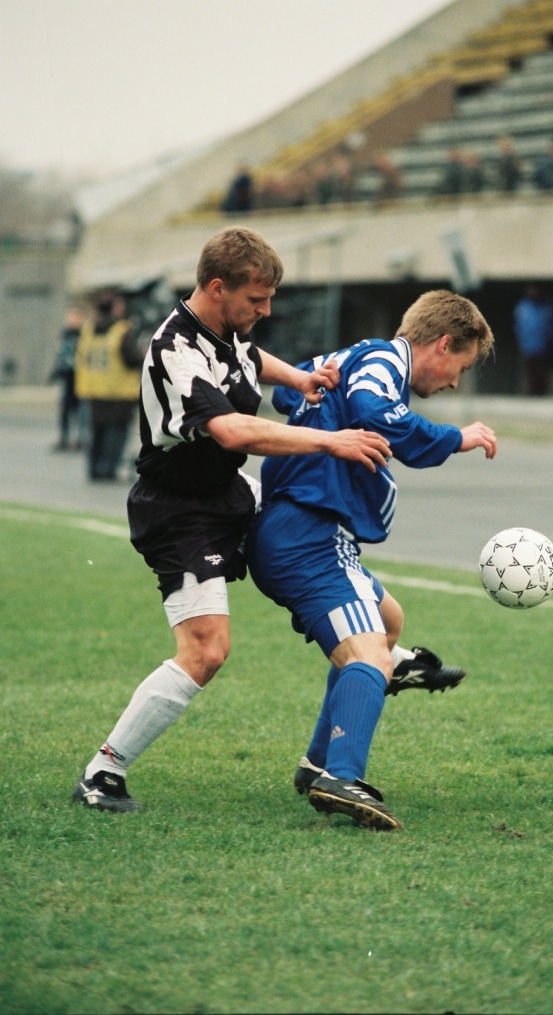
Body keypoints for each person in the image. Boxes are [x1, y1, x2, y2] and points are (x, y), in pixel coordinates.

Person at [72, 226, 391, 813]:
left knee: (328, 558)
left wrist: (296, 377)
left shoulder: (227, 329)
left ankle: (386, 653)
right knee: (206, 649)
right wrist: (331, 442)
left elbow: (248, 359)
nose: (265, 311)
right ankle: (102, 772)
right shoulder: (173, 351)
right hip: (180, 511)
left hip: (226, 492)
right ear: (217, 289)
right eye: (257, 300)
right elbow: (233, 430)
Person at [246, 290, 497, 831]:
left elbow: (295, 396)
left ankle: (318, 761)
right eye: (462, 366)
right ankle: (341, 775)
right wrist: (458, 437)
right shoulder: (385, 358)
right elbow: (377, 413)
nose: (455, 381)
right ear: (443, 343)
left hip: (304, 526)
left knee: (388, 622)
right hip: (308, 531)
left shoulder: (352, 356)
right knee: (369, 656)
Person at [74, 291, 144, 480]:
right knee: (116, 431)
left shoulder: (89, 328)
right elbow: (131, 358)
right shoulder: (121, 330)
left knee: (97, 431)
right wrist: (145, 354)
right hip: (119, 390)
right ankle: (108, 468)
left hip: (94, 388)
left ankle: (94, 468)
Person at [513, 284, 553, 396]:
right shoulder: (522, 307)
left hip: (543, 347)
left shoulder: (546, 307)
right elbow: (518, 326)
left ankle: (542, 394)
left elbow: (551, 326)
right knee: (530, 373)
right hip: (527, 347)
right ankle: (531, 395)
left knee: (542, 374)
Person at [49, 307, 83, 450]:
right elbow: (61, 354)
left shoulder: (83, 335)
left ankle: (78, 439)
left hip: (80, 377)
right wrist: (55, 372)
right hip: (67, 376)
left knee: (79, 412)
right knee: (65, 410)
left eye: (74, 318)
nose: (71, 321)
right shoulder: (65, 335)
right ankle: (64, 437)